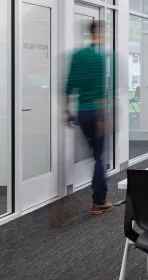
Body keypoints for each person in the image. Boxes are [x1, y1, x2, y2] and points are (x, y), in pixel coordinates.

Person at [63, 21, 113, 215]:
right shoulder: (98, 58)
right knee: (99, 157)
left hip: (81, 113)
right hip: (95, 112)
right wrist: (102, 117)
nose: (104, 36)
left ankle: (97, 196)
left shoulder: (77, 56)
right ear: (96, 33)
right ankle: (98, 201)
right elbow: (101, 89)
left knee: (95, 155)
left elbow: (69, 85)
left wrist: (67, 111)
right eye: (103, 32)